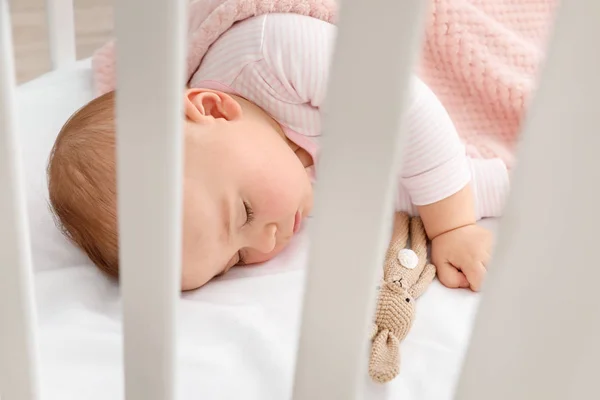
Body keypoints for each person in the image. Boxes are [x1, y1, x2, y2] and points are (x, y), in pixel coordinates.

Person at [47, 13, 509, 291]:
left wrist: (453, 226)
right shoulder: (269, 175)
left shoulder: (271, 55)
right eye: (237, 261)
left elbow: (407, 107)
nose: (266, 241)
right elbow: (397, 187)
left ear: (212, 109)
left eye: (244, 212)